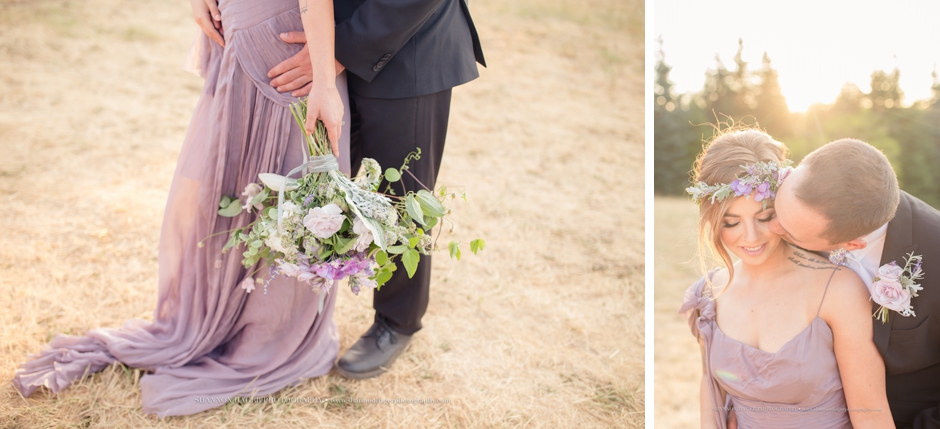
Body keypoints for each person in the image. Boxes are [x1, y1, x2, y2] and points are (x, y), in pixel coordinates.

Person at [13, 0, 349, 417]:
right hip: (244, 28)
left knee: (287, 187)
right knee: (240, 186)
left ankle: (268, 326)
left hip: (283, 39)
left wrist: (324, 81)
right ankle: (231, 315)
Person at [264, 0, 486, 379]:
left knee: (400, 200)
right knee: (327, 189)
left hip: (409, 45)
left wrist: (344, 49)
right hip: (319, 40)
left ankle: (397, 321)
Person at [680, 129, 894, 428]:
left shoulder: (838, 290)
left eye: (765, 217)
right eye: (731, 222)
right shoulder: (708, 294)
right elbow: (710, 389)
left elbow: (870, 413)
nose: (751, 237)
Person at [771, 138, 940, 429]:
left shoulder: (935, 251)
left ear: (851, 244)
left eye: (789, 233)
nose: (771, 228)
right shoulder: (809, 201)